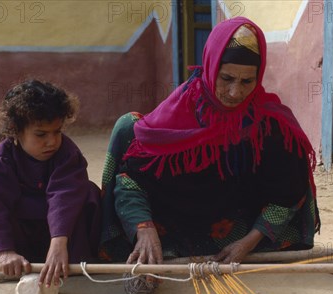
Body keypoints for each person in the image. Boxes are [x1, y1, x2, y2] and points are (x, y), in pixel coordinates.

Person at [100, 17, 319, 266]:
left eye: (247, 81)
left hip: (236, 225)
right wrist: (144, 228)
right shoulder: (178, 113)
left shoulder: (269, 124)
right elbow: (131, 180)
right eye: (226, 78)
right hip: (171, 223)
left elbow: (286, 192)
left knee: (291, 141)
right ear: (211, 66)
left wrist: (247, 243)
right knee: (127, 126)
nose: (235, 93)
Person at [0, 79, 101, 287]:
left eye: (57, 131)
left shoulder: (67, 154)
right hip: (24, 240)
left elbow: (64, 196)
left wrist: (59, 243)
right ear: (16, 131)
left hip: (65, 239)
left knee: (88, 192)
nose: (52, 141)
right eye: (41, 134)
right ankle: (16, 261)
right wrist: (5, 251)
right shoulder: (2, 160)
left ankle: (75, 260)